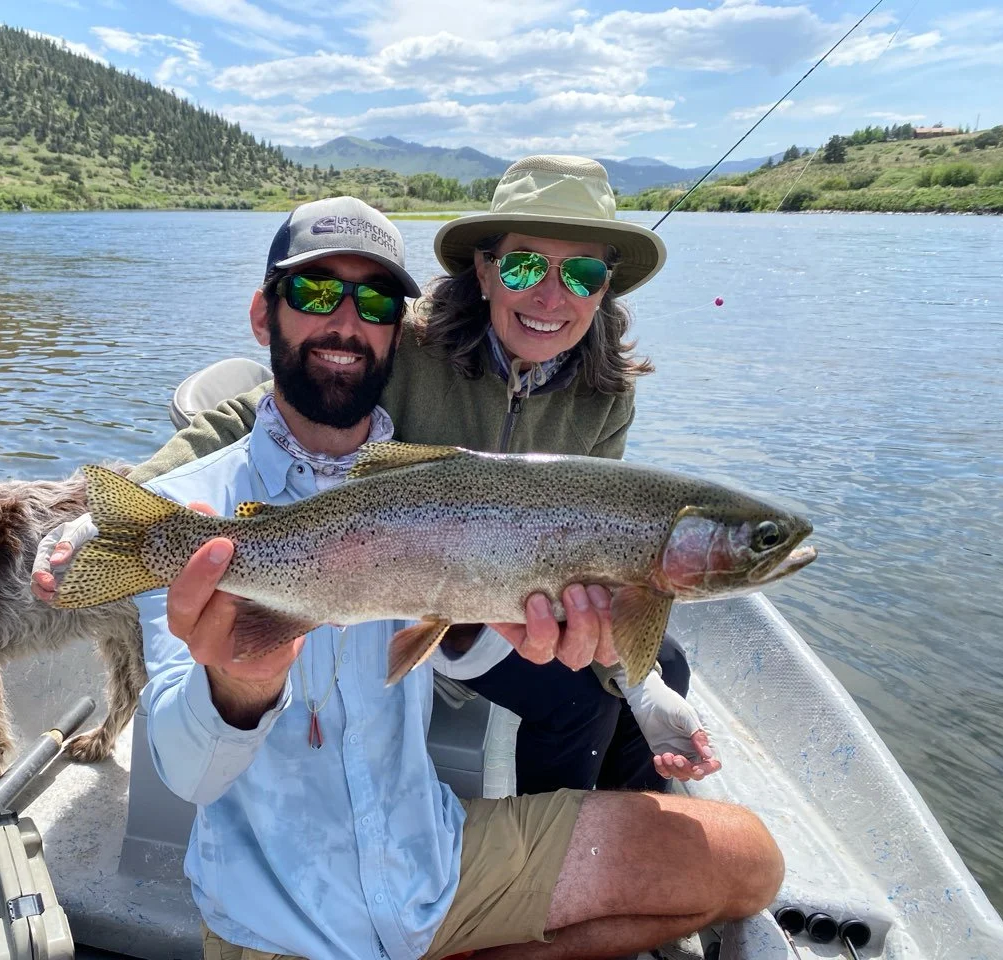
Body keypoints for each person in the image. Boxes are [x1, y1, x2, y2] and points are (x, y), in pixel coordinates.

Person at [40, 197, 783, 960]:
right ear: (265, 316)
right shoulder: (193, 516)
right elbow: (186, 772)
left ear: (398, 331)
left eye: (374, 301)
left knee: (750, 859)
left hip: (434, 859)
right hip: (280, 915)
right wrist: (238, 686)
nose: (345, 323)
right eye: (316, 293)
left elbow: (481, 611)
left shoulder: (435, 488)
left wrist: (589, 658)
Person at [35, 156, 719, 791]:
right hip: (396, 583)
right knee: (580, 703)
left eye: (582, 276)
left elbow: (599, 539)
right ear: (483, 272)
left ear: (604, 290)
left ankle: (605, 847)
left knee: (663, 669)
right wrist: (123, 504)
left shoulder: (608, 396)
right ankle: (561, 856)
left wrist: (644, 685)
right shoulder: (407, 339)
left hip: (504, 602)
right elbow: (258, 408)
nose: (548, 295)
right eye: (522, 269)